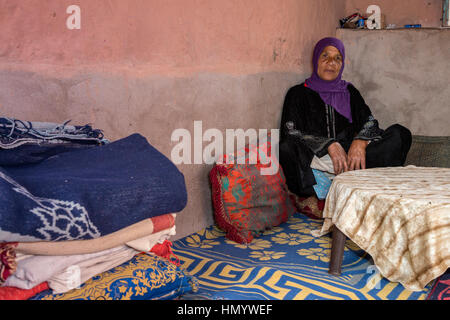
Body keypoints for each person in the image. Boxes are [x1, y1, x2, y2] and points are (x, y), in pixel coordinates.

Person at [279, 37, 412, 198]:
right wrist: (329, 144)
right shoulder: (298, 93)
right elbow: (291, 131)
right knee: (286, 148)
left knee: (400, 133)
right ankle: (333, 186)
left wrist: (360, 142)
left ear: (342, 64)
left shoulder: (349, 92)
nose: (331, 63)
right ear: (315, 60)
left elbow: (369, 121)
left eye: (337, 58)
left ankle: (350, 180)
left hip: (352, 160)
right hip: (318, 161)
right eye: (325, 56)